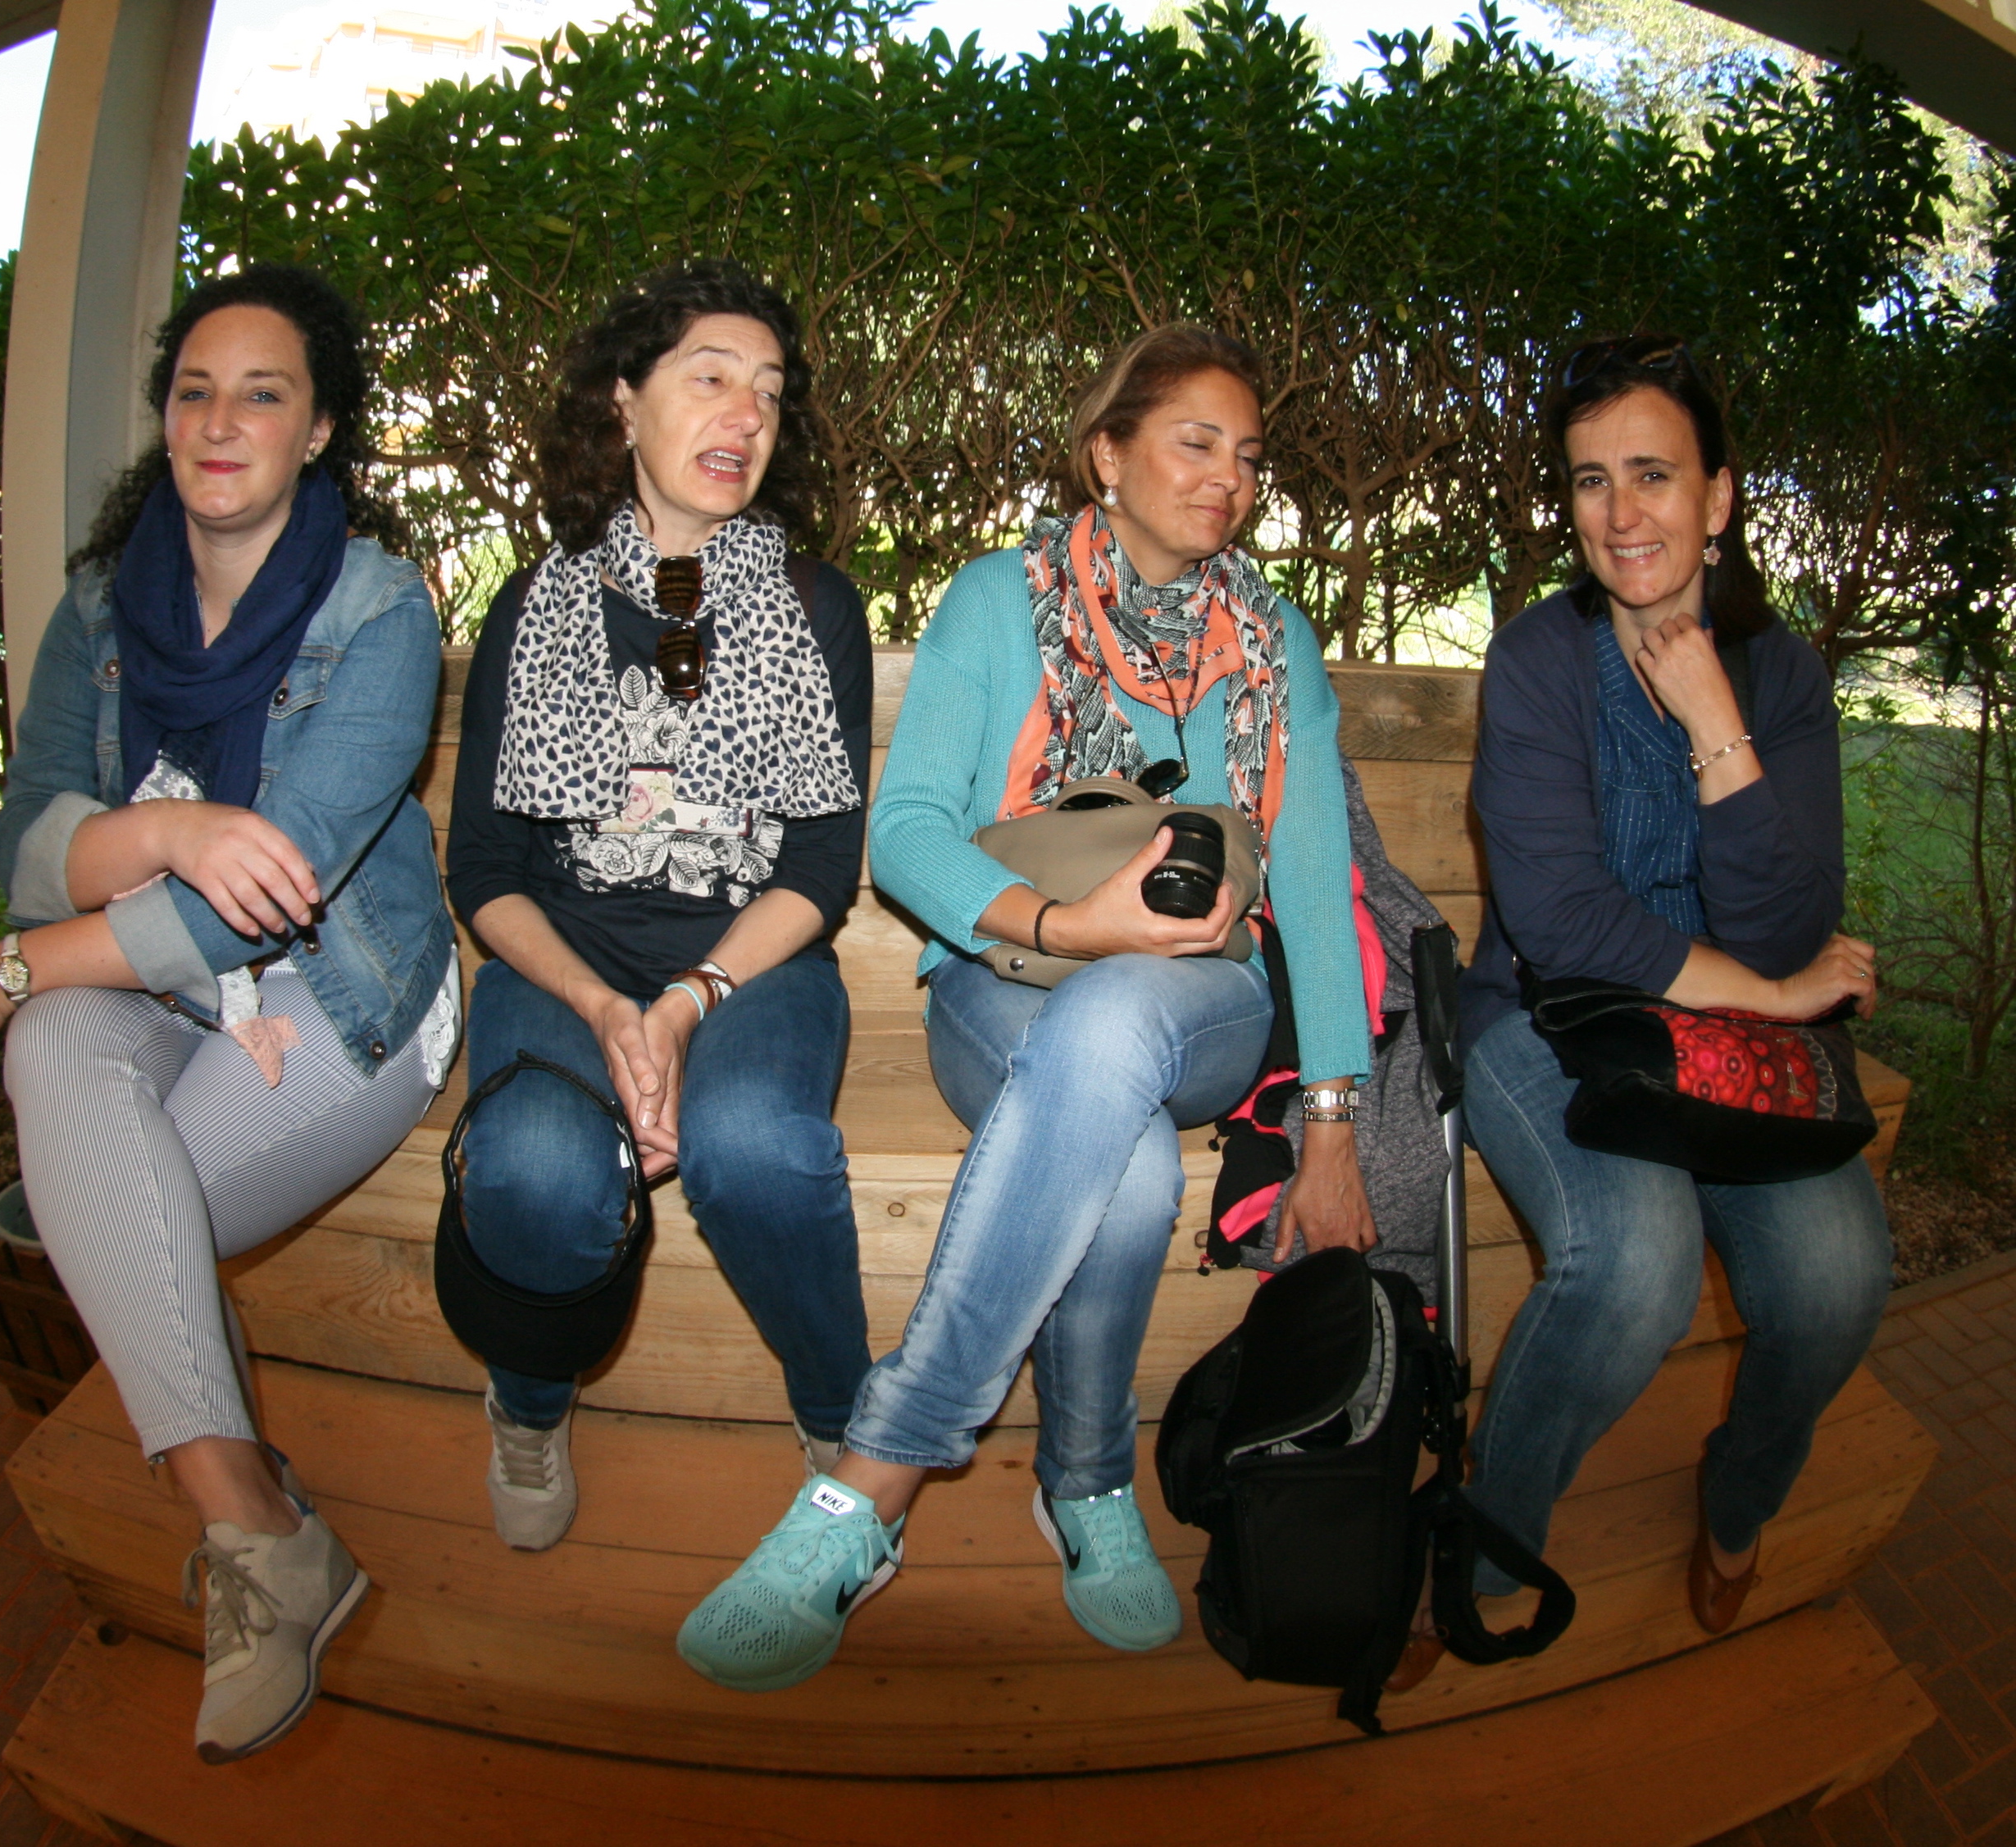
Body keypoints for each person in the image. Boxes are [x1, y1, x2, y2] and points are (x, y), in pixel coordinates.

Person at [678, 324, 1377, 1693]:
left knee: (1117, 1022)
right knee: (1125, 1172)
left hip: (1201, 1005)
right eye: (1195, 442)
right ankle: (1087, 1477)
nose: (1228, 478)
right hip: (999, 982)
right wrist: (1068, 925)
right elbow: (907, 834)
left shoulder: (1273, 640)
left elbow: (1308, 878)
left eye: (1248, 457)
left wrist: (1332, 1123)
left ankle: (872, 1479)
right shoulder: (999, 600)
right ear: (1107, 453)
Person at [0, 266, 457, 1761]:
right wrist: (165, 829)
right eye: (195, 390)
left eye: (263, 394)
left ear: (318, 429)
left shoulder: (379, 609)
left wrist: (14, 965)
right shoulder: (102, 605)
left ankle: (253, 1522)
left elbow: (265, 900)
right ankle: (260, 1528)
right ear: (165, 416)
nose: (221, 421)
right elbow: (25, 845)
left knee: (96, 1196)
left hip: (343, 997)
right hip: (156, 990)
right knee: (64, 1055)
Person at [1440, 334, 1888, 1673]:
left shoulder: (1780, 677)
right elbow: (1562, 923)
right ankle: (1487, 1542)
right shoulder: (1538, 660)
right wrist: (1774, 994)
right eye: (1591, 480)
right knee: (1631, 1267)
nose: (1620, 512)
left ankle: (1738, 1492)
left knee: (1837, 1278)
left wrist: (1710, 719)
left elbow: (1784, 918)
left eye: (1652, 474)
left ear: (1718, 495)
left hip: (1733, 1037)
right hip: (1547, 1017)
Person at [444, 261, 874, 1554]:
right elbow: (487, 868)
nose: (746, 412)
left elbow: (817, 869)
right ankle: (529, 1399)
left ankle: (840, 1416)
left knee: (759, 1148)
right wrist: (598, 1005)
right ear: (623, 404)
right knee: (532, 1166)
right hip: (561, 962)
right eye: (710, 378)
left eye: (769, 391)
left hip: (750, 967)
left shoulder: (814, 608)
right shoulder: (534, 606)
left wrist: (685, 1004)